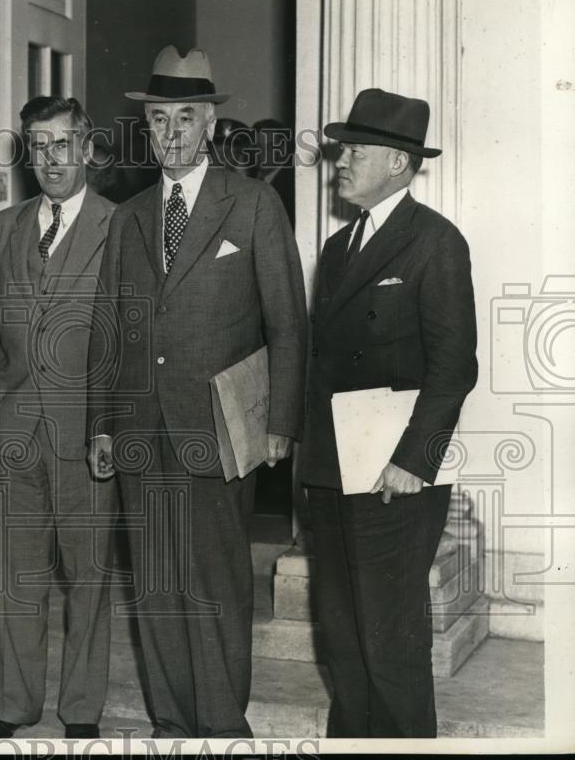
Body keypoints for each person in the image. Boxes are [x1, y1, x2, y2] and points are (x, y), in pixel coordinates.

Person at [86, 46, 307, 738]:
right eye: (160, 118)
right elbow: (109, 330)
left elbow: (288, 322)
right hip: (137, 429)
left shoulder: (253, 204)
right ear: (146, 128)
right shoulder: (129, 218)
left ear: (210, 124)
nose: (173, 131)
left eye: (187, 116)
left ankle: (221, 726)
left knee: (213, 583)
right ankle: (173, 723)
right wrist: (100, 424)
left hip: (215, 426)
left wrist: (281, 422)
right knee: (154, 586)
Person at [300, 88, 478, 738]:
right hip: (332, 469)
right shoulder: (338, 247)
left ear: (399, 164)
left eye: (355, 150)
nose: (339, 160)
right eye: (341, 148)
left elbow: (455, 365)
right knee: (343, 639)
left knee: (390, 645)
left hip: (394, 476)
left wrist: (414, 460)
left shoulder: (435, 243)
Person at [0, 96, 118, 741]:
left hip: (86, 434)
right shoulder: (2, 230)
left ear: (85, 149)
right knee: (13, 574)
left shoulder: (122, 226)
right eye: (38, 146)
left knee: (88, 578)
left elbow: (126, 338)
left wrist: (108, 425)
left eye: (63, 145)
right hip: (12, 431)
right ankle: (14, 704)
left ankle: (81, 709)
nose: (51, 160)